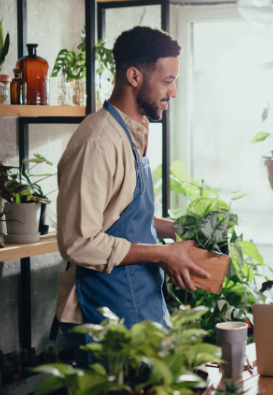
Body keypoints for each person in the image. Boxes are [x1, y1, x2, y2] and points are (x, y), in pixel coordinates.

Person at [50, 27, 210, 352]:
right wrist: (162, 253)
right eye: (167, 81)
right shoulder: (98, 142)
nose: (174, 93)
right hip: (105, 309)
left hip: (140, 301)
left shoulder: (132, 132)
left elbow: (122, 218)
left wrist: (174, 229)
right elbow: (79, 242)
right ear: (134, 76)